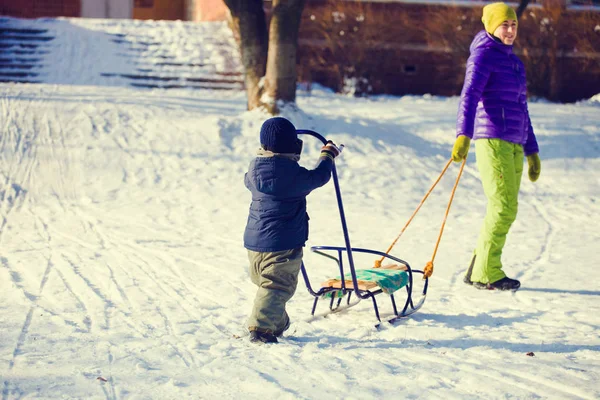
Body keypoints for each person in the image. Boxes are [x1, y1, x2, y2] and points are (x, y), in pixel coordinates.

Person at [452, 2, 541, 291]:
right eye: (505, 24)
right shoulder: (483, 56)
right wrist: (463, 134)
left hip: (515, 141)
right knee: (503, 207)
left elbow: (521, 107)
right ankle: (488, 272)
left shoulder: (515, 62)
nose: (511, 30)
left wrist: (532, 149)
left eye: (514, 24)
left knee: (505, 207)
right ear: (492, 26)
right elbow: (469, 95)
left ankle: (478, 267)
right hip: (493, 139)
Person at [243, 117, 341, 343]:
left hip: (254, 241)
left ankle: (277, 322)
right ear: (294, 147)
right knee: (277, 286)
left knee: (266, 283)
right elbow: (319, 176)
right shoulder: (293, 176)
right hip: (282, 242)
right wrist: (327, 156)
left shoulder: (254, 170)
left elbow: (247, 181)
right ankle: (261, 329)